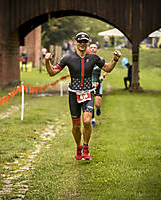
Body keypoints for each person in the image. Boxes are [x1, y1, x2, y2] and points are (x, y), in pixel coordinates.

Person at [45, 32, 121, 160]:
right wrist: (47, 61)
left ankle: (86, 147)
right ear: (75, 42)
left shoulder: (94, 57)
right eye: (80, 41)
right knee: (76, 126)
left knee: (86, 121)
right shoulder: (68, 58)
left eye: (84, 41)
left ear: (88, 43)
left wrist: (115, 59)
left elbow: (107, 68)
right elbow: (52, 72)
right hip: (73, 94)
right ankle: (78, 147)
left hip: (88, 92)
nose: (82, 44)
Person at [89, 43, 107, 127]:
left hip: (98, 84)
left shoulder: (100, 59)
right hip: (88, 85)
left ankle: (98, 108)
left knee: (97, 104)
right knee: (90, 103)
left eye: (94, 47)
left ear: (97, 49)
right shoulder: (86, 59)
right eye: (91, 47)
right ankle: (92, 119)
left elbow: (107, 69)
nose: (92, 49)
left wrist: (102, 76)